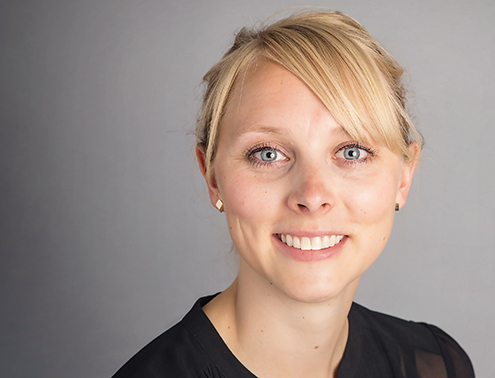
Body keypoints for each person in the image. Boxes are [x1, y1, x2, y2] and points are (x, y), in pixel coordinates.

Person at [113, 10, 474, 378]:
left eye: (352, 152)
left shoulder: (435, 363)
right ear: (213, 177)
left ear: (404, 177)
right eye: (268, 154)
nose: (312, 195)